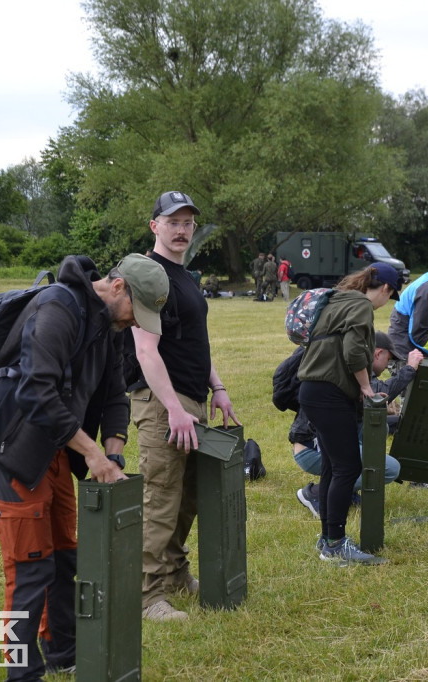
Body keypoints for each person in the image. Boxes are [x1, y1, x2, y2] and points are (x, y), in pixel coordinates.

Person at [0, 252, 169, 681]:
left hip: (54, 444)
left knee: (65, 556)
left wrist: (112, 451)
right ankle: (22, 674)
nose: (135, 323)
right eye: (136, 311)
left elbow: (114, 394)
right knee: (30, 564)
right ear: (117, 288)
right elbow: (36, 393)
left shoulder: (109, 325)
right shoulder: (58, 307)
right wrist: (90, 453)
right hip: (13, 442)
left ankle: (64, 654)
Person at [130, 190, 240, 622]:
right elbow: (145, 350)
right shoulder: (148, 274)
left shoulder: (186, 278)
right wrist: (173, 407)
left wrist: (218, 387)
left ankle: (175, 573)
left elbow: (196, 344)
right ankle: (146, 595)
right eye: (172, 221)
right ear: (155, 225)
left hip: (192, 400)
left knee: (190, 495)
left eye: (188, 222)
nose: (181, 229)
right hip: (163, 403)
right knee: (161, 496)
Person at [297, 262, 402, 564]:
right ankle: (335, 544)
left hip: (315, 390)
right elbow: (355, 351)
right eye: (390, 296)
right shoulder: (360, 305)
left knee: (333, 465)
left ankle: (327, 539)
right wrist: (366, 387)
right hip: (328, 393)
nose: (385, 304)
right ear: (384, 288)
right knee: (348, 467)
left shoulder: (337, 299)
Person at [294, 331, 423, 515]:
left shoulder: (346, 363)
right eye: (389, 359)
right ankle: (317, 493)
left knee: (380, 427)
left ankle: (348, 492)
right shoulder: (355, 369)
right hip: (311, 450)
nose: (388, 365)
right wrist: (410, 368)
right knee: (388, 469)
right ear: (378, 353)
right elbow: (381, 390)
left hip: (314, 442)